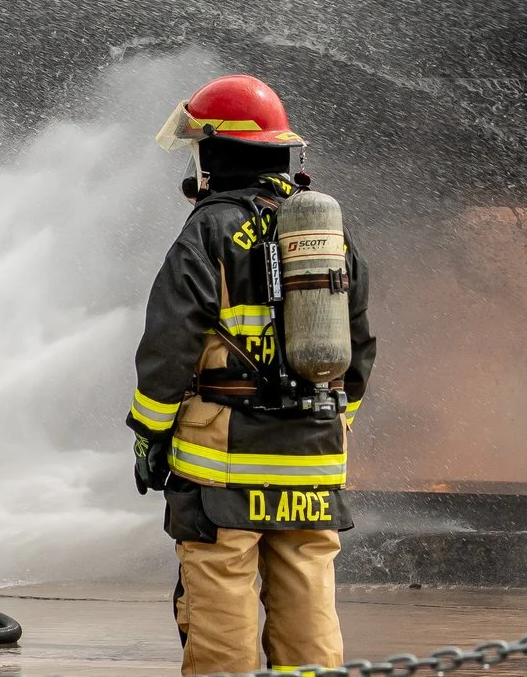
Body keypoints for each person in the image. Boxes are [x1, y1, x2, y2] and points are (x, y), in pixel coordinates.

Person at [128, 75, 376, 677]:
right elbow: (359, 347)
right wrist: (333, 423)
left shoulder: (208, 230)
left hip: (225, 461)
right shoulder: (326, 234)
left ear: (218, 151)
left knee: (221, 594)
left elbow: (169, 346)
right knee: (308, 593)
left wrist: (149, 434)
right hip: (313, 456)